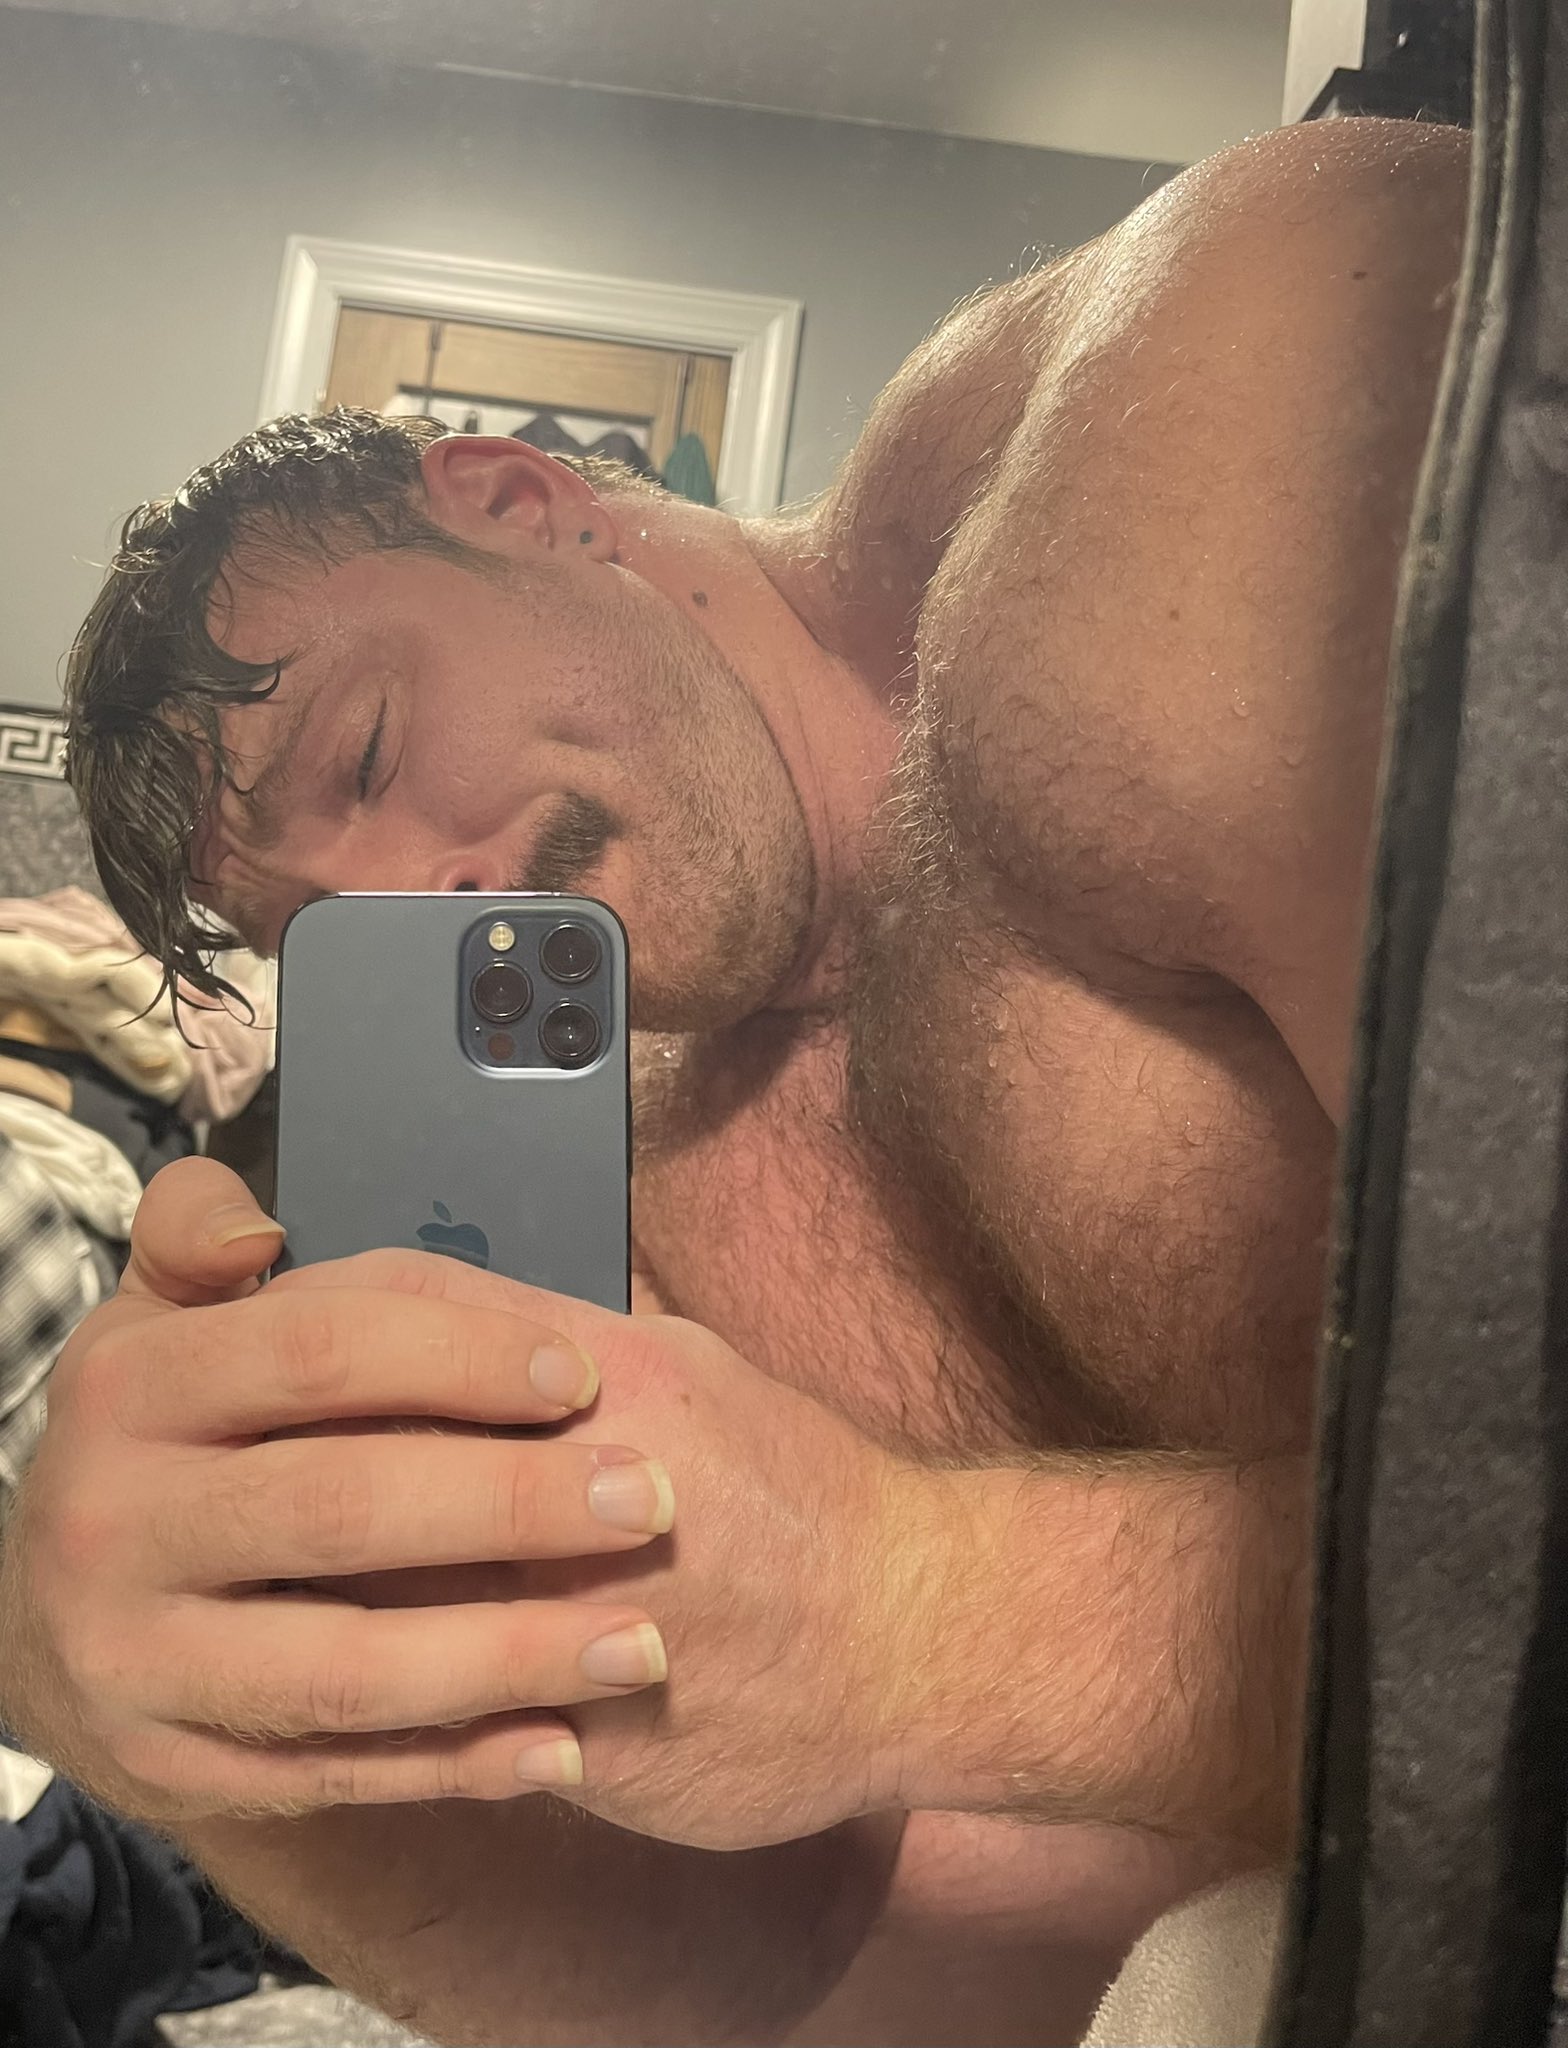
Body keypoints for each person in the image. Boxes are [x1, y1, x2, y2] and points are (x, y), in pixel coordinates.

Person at [0, 115, 1469, 2045]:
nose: (434, 897)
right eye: (331, 934)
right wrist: (146, 1705)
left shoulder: (1207, 428)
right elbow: (816, 1967)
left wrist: (925, 1612)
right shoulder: (640, 1196)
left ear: (519, 498)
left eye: (366, 751)